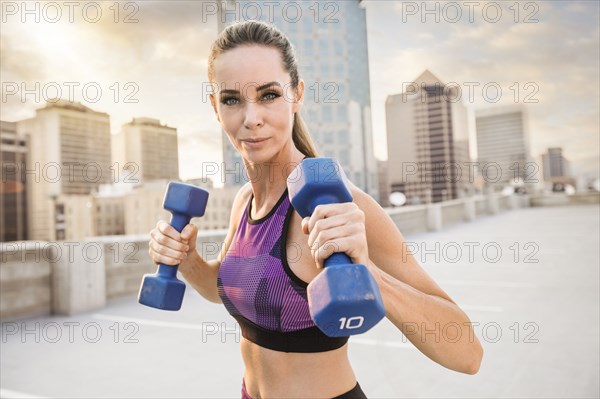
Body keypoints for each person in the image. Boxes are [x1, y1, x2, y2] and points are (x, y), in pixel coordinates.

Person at [148, 20, 483, 399]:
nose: (251, 117)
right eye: (231, 99)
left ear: (297, 94)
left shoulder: (339, 205)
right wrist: (188, 259)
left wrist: (368, 273)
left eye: (269, 95)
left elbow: (467, 353)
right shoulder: (244, 201)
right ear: (215, 106)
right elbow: (227, 290)